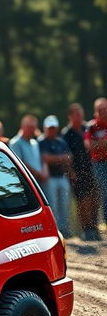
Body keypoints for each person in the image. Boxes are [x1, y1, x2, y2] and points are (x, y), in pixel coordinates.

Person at [62, 103, 100, 241]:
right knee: (82, 201)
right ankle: (86, 230)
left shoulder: (87, 128)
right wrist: (70, 171)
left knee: (94, 198)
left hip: (92, 169)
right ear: (70, 116)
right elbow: (65, 154)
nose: (80, 116)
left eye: (81, 112)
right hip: (77, 172)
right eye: (76, 113)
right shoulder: (66, 133)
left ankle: (94, 228)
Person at [38, 115, 74, 237]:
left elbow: (69, 158)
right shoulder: (41, 141)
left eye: (53, 128)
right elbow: (45, 158)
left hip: (62, 176)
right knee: (52, 204)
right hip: (50, 178)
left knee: (64, 204)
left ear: (57, 128)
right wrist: (61, 158)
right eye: (49, 128)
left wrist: (56, 159)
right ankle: (55, 230)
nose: (51, 130)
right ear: (45, 128)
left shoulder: (61, 141)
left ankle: (64, 229)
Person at [85, 97, 107, 226]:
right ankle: (104, 220)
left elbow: (95, 145)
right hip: (99, 163)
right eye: (100, 110)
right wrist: (102, 144)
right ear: (95, 112)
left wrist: (98, 144)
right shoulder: (91, 126)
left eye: (105, 109)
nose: (103, 112)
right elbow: (89, 145)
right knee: (104, 190)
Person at [10, 114, 45, 182]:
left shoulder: (35, 143)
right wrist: (38, 174)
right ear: (22, 127)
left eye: (33, 127)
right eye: (29, 127)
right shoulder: (15, 143)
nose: (31, 130)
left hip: (37, 181)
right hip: (25, 182)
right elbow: (19, 162)